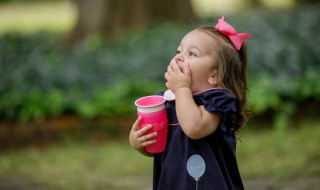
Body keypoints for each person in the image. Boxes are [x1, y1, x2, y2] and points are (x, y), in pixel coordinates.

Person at [129, 16, 251, 190]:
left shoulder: (219, 101)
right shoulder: (168, 101)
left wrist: (181, 89)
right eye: (179, 52)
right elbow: (158, 148)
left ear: (215, 75)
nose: (179, 58)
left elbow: (195, 127)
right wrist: (139, 143)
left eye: (192, 54)